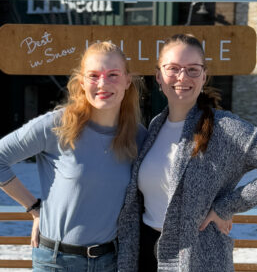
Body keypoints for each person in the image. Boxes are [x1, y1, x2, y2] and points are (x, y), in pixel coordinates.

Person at [117, 34, 257, 272]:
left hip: (197, 259)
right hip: (146, 253)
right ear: (158, 76)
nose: (182, 77)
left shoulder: (225, 127)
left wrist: (225, 207)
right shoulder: (154, 127)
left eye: (193, 69)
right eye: (173, 68)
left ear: (204, 76)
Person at [0, 41, 147, 272]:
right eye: (94, 75)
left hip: (111, 262)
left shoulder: (137, 136)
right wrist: (34, 208)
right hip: (56, 261)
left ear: (128, 81)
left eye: (113, 75)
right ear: (81, 82)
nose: (102, 83)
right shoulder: (57, 126)